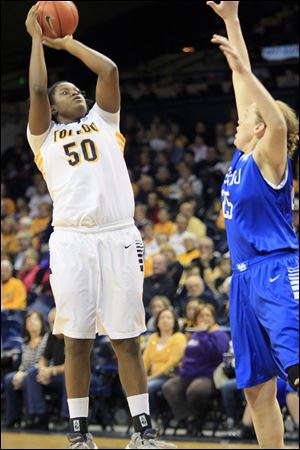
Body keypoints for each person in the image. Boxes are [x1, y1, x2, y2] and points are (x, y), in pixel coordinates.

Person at [25, 5, 176, 449]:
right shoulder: (44, 136)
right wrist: (36, 38)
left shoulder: (103, 121)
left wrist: (66, 41)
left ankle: (143, 433)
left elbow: (108, 69)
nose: (76, 92)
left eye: (77, 88)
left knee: (127, 337)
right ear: (51, 108)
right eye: (66, 91)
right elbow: (36, 87)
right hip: (72, 240)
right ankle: (79, 436)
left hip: (118, 236)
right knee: (77, 340)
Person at [207, 1, 299, 448]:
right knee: (256, 387)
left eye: (247, 117)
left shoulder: (270, 158)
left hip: (277, 272)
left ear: (259, 130)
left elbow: (277, 119)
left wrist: (250, 73)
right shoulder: (244, 154)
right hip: (243, 281)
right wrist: (232, 23)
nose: (239, 117)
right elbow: (240, 81)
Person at [162, 304, 229, 430]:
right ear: (196, 319)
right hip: (187, 375)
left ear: (213, 318)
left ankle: (197, 418)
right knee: (169, 387)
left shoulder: (219, 335)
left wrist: (203, 334)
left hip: (207, 376)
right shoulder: (194, 335)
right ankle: (186, 418)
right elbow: (188, 355)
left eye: (207, 315)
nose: (204, 318)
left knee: (195, 390)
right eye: (201, 316)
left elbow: (215, 354)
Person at [23, 308, 68, 430]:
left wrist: (51, 371)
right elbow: (44, 358)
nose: (52, 325)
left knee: (70, 377)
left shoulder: (72, 337)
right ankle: (39, 416)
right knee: (32, 373)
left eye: (54, 322)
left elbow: (74, 366)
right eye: (50, 322)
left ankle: (67, 418)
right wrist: (43, 370)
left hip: (84, 377)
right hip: (57, 374)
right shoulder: (51, 337)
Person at [3, 310, 48, 428]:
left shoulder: (46, 339)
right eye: (29, 320)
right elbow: (24, 363)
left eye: (35, 319)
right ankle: (13, 417)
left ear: (41, 323)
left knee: (30, 376)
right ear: (25, 324)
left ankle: (36, 416)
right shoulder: (25, 341)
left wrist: (24, 374)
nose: (32, 322)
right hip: (28, 372)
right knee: (9, 379)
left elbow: (42, 361)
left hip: (42, 372)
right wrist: (19, 372)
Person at [143, 309, 186, 421]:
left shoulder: (179, 338)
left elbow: (172, 363)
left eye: (168, 318)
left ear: (174, 322)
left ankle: (154, 418)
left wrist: (151, 378)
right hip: (151, 376)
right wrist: (141, 377)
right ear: (157, 322)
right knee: (131, 387)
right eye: (162, 318)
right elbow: (145, 360)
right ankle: (142, 418)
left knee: (147, 388)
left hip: (169, 375)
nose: (165, 320)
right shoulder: (153, 338)